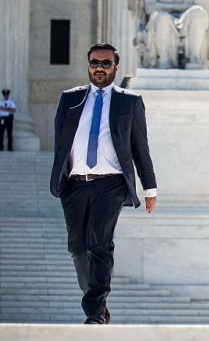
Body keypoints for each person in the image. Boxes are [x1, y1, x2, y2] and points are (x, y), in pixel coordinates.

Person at [49, 43, 158, 324]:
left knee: (100, 243)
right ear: (88, 65)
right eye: (95, 62)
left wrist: (150, 188)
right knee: (77, 247)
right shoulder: (69, 99)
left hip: (109, 184)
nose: (99, 67)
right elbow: (61, 144)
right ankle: (95, 296)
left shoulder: (129, 101)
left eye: (106, 63)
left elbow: (140, 148)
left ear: (115, 67)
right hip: (74, 184)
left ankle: (94, 311)